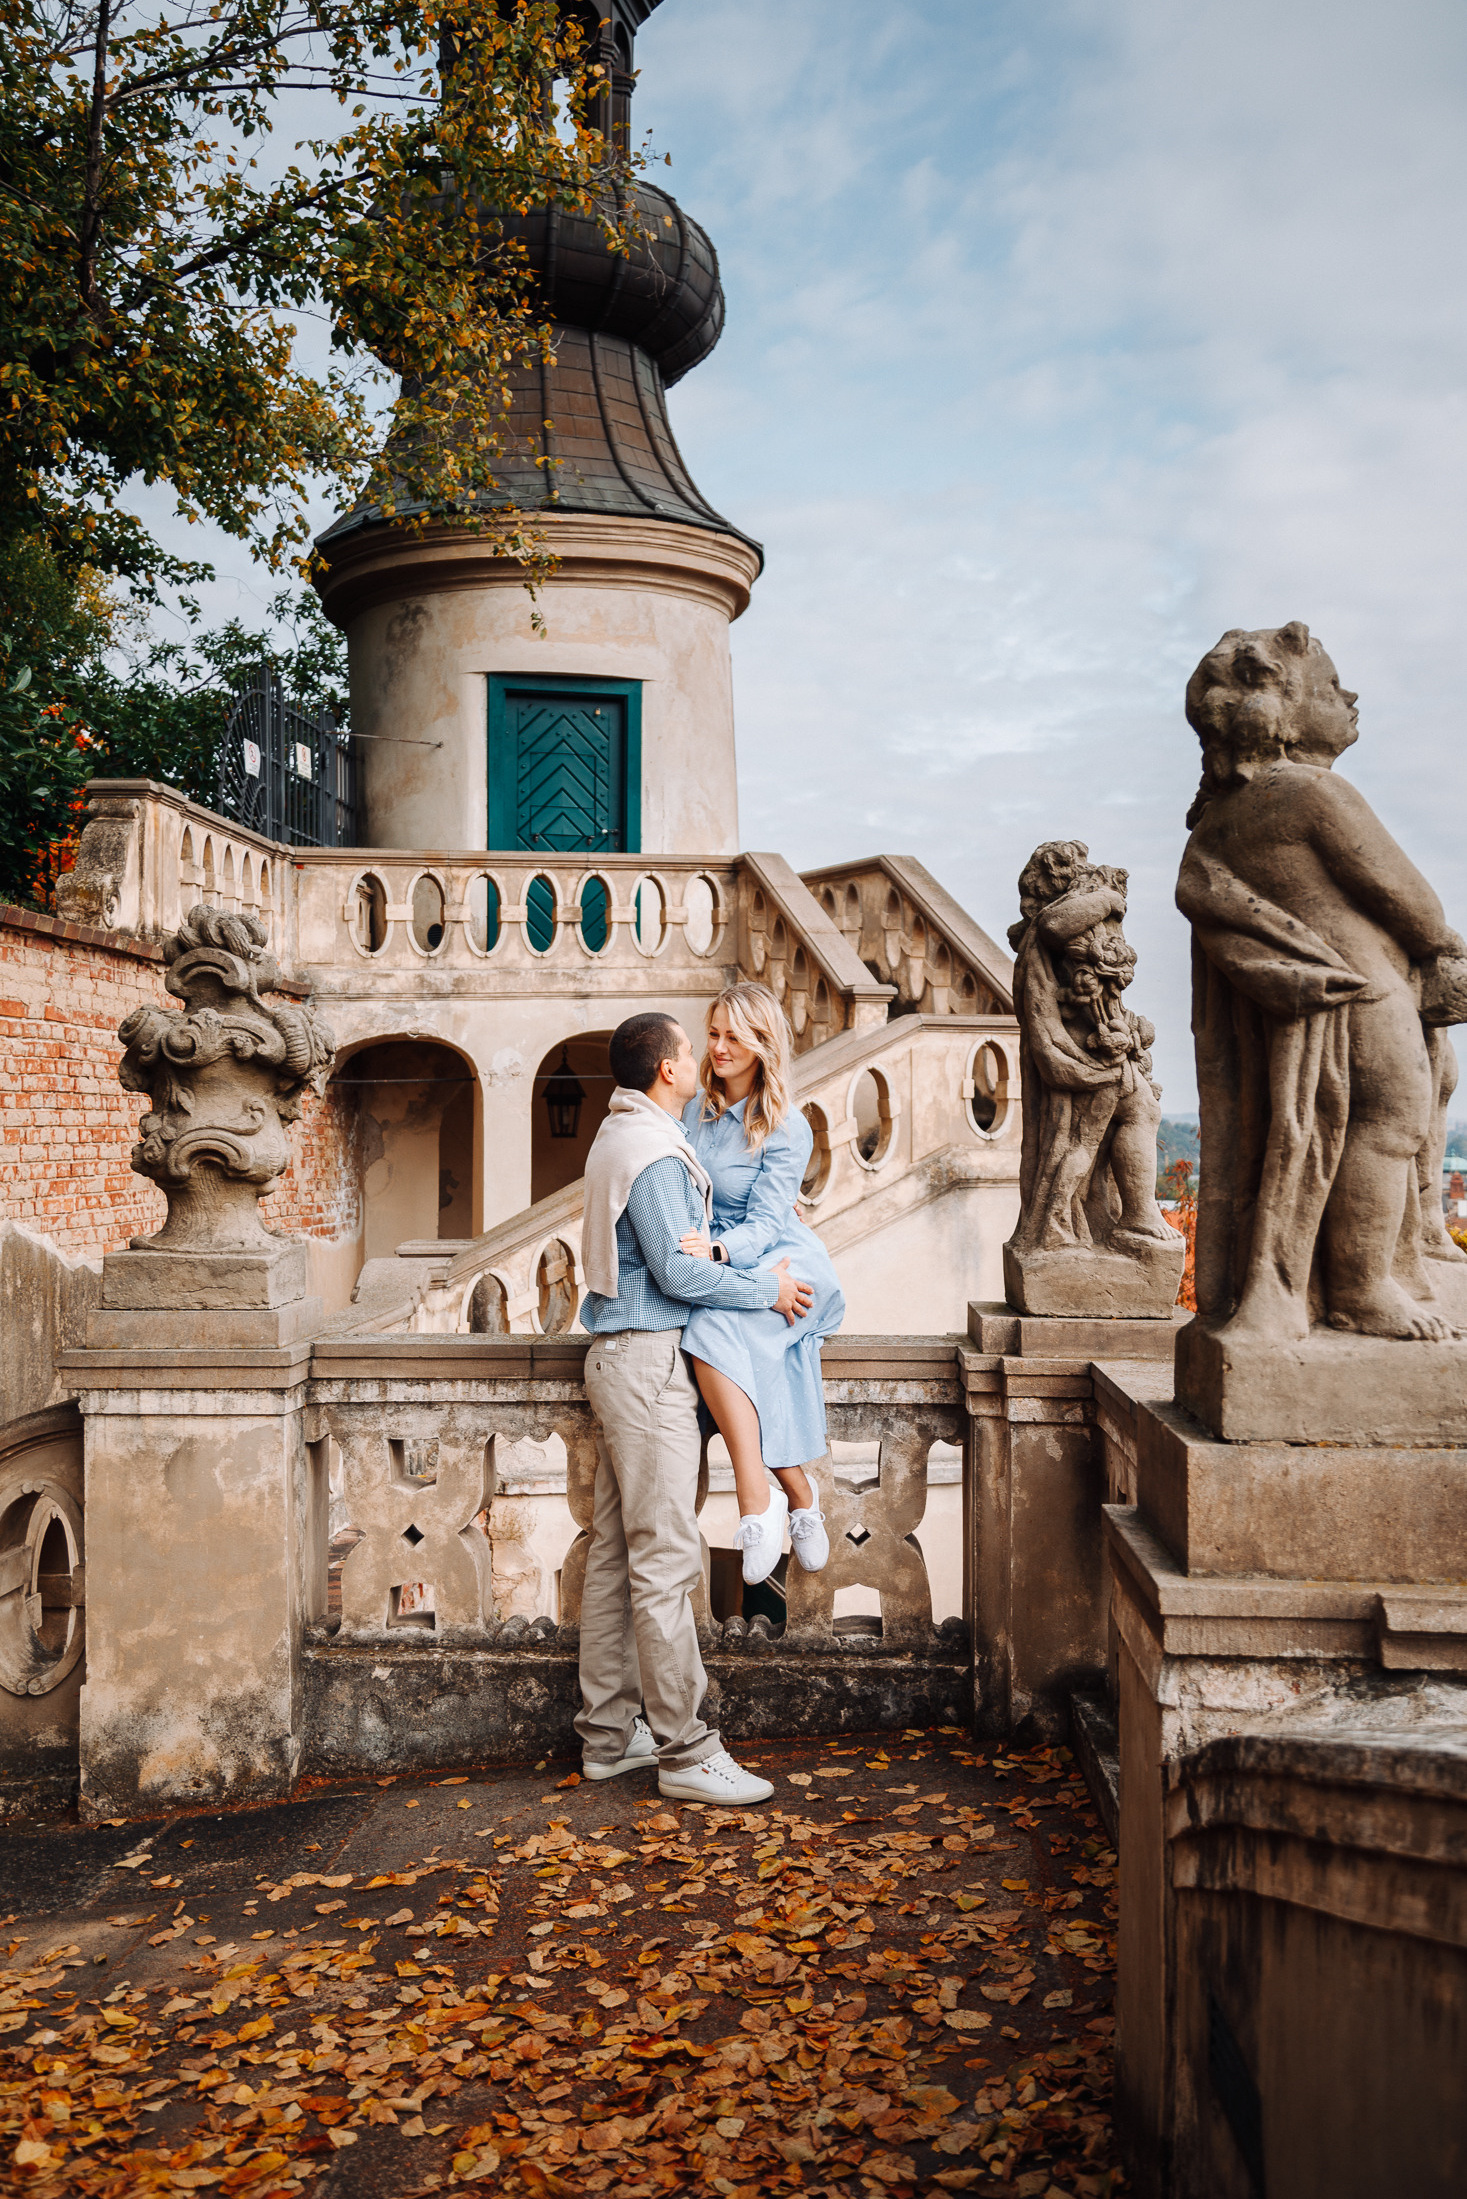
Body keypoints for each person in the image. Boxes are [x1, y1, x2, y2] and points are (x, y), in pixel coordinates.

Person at [1177, 620, 1467, 1342]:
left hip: (1314, 1000)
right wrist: (1444, 947)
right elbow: (1408, 897)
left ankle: (1349, 1280)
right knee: (1390, 1124)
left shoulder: (1216, 820)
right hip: (1365, 990)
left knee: (1338, 1132)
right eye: (1332, 686)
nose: (1350, 696)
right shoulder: (1312, 793)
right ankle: (1362, 1287)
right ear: (1278, 707)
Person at [575, 1010, 813, 1807]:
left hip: (625, 1358)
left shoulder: (626, 1133)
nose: (703, 1054)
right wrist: (764, 1288)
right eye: (690, 1046)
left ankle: (609, 1736)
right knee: (666, 1560)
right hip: (646, 1363)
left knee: (616, 1555)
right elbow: (678, 1273)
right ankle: (685, 1749)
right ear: (667, 1070)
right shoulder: (651, 1151)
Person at [677, 982, 846, 1584]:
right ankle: (792, 1492)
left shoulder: (787, 1126)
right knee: (721, 1335)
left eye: (734, 1036)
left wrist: (721, 1253)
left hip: (780, 1260)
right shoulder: (693, 1111)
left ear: (762, 1044)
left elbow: (769, 1222)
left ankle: (760, 1501)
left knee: (711, 1327)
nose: (719, 1047)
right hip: (722, 1254)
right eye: (713, 1033)